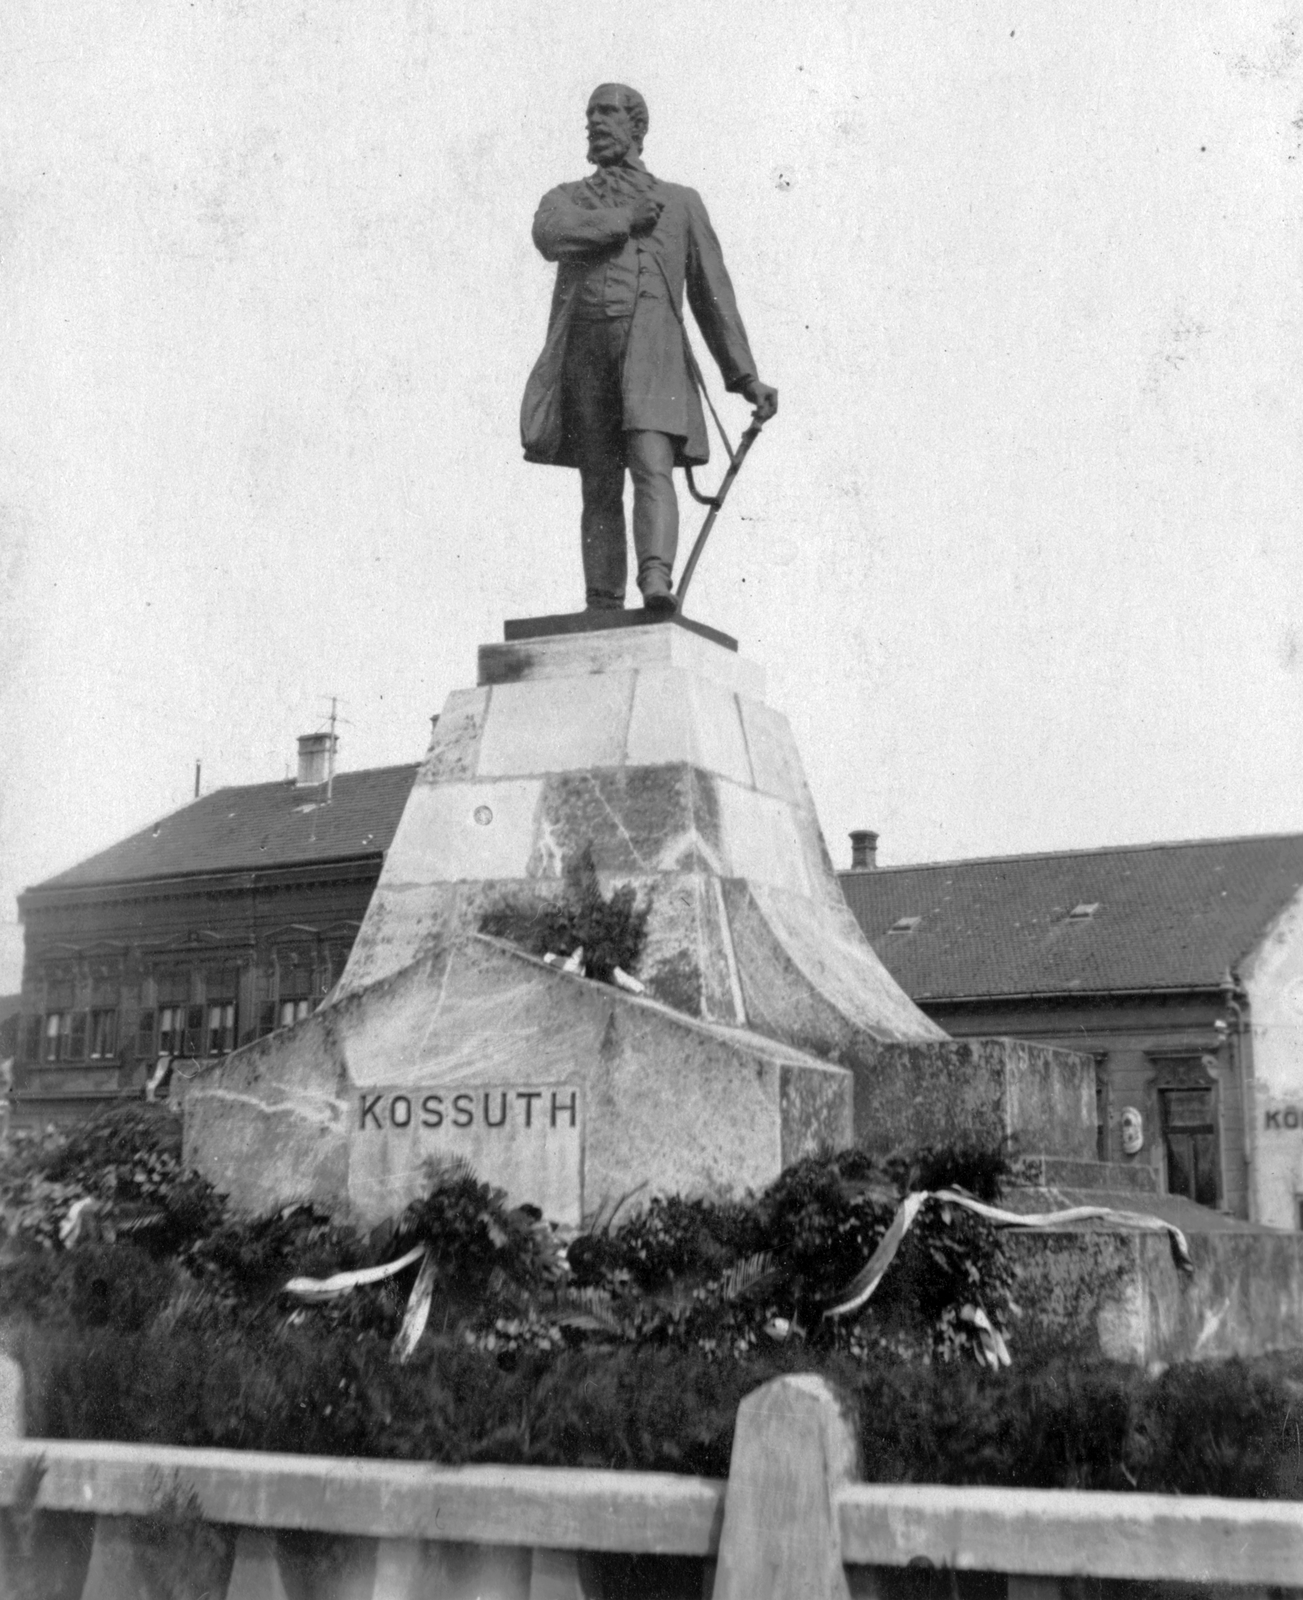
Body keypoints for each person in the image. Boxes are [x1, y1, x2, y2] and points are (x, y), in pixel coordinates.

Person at [521, 83, 778, 613]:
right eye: (590, 112)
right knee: (598, 483)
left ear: (637, 126)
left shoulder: (681, 203)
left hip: (653, 358)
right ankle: (601, 599)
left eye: (608, 112)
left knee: (650, 466)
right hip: (586, 353)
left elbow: (714, 298)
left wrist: (746, 377)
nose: (595, 121)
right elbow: (549, 235)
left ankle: (655, 582)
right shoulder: (565, 198)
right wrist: (622, 222)